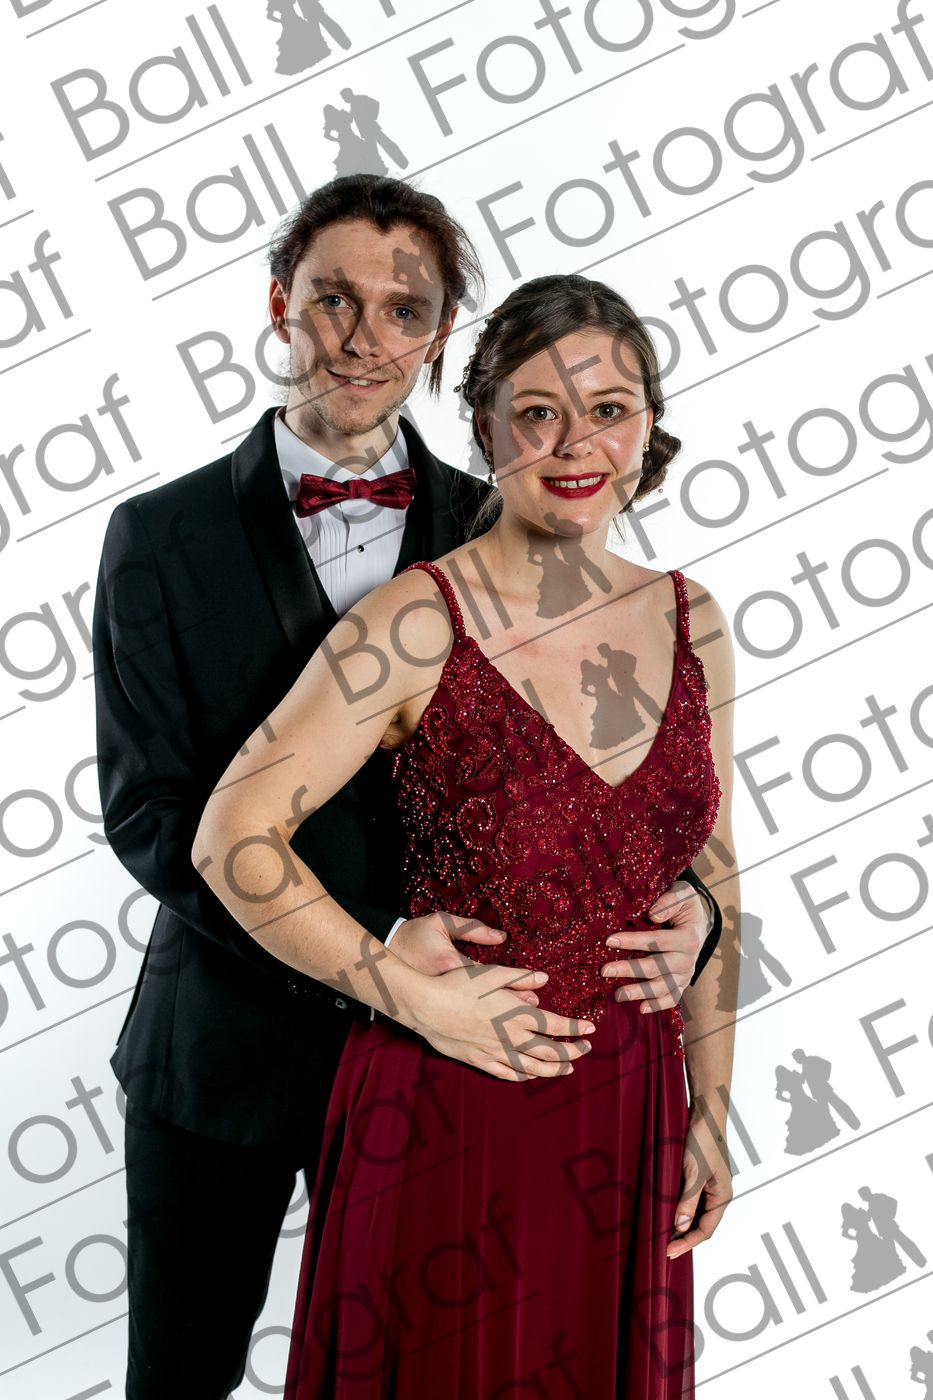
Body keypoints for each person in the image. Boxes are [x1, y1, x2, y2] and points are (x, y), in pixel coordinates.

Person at [92, 176, 723, 1398]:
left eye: (404, 310)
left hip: (466, 1065)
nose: (363, 338)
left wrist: (689, 909)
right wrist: (377, 945)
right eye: (334, 299)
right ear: (280, 305)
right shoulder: (158, 536)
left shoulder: (514, 513)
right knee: (179, 1376)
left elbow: (616, 766)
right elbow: (153, 814)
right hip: (227, 1045)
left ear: (441, 339)